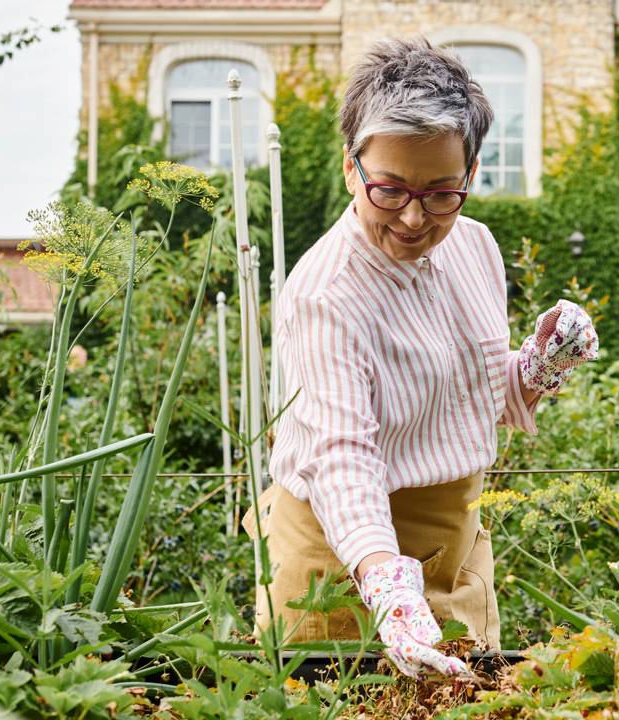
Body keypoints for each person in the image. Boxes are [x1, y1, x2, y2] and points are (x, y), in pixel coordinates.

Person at [243, 36, 599, 678]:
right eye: (389, 189)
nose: (414, 218)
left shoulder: (475, 245)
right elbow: (341, 456)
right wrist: (390, 593)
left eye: (441, 192)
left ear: (470, 173)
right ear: (351, 167)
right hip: (343, 554)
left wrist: (539, 366)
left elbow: (471, 390)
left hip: (456, 537)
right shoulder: (327, 294)